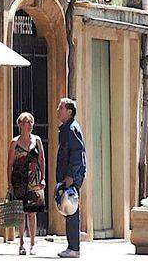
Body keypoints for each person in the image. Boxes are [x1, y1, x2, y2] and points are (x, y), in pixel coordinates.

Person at [9, 112, 46, 255]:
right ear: (20, 124)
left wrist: (43, 178)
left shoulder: (37, 140)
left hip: (34, 180)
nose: (29, 125)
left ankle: (33, 243)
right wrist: (9, 183)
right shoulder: (14, 142)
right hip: (19, 180)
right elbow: (10, 164)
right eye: (26, 122)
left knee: (32, 212)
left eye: (31, 122)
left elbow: (42, 159)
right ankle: (21, 244)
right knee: (21, 212)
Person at [54, 97, 86, 258]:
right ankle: (72, 247)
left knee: (71, 210)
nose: (58, 110)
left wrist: (71, 176)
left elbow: (77, 153)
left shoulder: (72, 128)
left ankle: (74, 248)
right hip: (68, 176)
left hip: (71, 177)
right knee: (68, 209)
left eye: (61, 108)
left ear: (69, 111)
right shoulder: (66, 128)